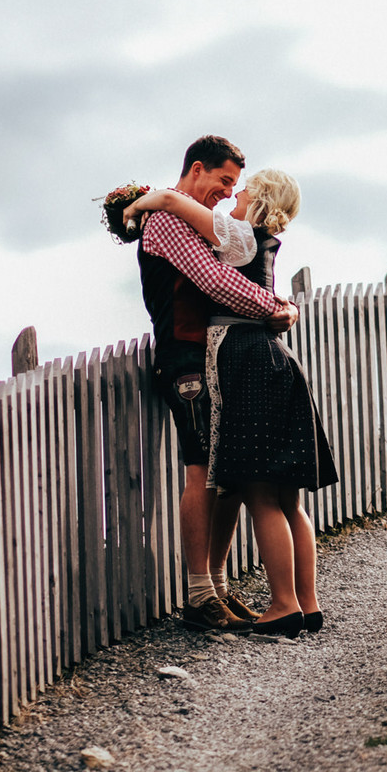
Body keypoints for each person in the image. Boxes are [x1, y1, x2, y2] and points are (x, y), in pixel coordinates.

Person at [127, 168, 339, 637]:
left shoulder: (239, 235)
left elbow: (181, 210)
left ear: (258, 199)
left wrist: (145, 200)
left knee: (259, 493)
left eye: (241, 188)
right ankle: (308, 602)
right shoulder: (263, 242)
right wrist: (282, 307)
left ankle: (282, 605)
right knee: (291, 501)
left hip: (244, 355)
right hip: (278, 357)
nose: (232, 195)